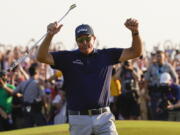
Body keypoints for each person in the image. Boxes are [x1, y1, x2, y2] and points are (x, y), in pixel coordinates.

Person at [37, 18, 143, 135]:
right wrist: (49, 36)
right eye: (80, 40)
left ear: (94, 38)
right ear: (76, 42)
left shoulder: (106, 55)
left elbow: (135, 52)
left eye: (87, 39)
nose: (85, 43)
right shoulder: (68, 57)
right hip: (79, 118)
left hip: (104, 117)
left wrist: (135, 32)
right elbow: (41, 57)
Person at [2, 63, 46, 128]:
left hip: (26, 108)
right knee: (42, 127)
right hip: (35, 108)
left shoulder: (23, 83)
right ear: (36, 72)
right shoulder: (38, 83)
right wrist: (46, 108)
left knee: (28, 128)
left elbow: (13, 92)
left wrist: (4, 86)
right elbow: (43, 97)